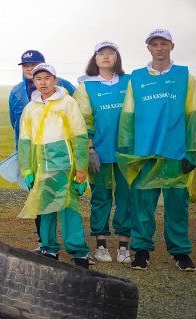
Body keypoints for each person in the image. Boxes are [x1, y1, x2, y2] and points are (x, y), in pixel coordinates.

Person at [117, 29, 196, 271]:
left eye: (163, 43)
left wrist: (192, 150)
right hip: (145, 152)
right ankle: (141, 251)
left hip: (175, 151)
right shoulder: (137, 78)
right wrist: (128, 150)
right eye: (155, 44)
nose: (159, 48)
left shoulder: (185, 76)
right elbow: (128, 116)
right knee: (142, 204)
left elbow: (192, 114)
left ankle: (180, 252)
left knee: (177, 204)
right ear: (149, 48)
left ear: (171, 46)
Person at [18, 64, 91, 268]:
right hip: (41, 166)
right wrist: (27, 169)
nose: (43, 82)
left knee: (70, 209)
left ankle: (78, 252)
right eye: (38, 78)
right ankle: (49, 248)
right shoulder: (30, 108)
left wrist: (81, 170)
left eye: (47, 77)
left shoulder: (68, 103)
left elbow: (79, 136)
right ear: (33, 82)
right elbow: (24, 141)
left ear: (55, 79)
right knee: (46, 208)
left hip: (65, 167)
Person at [75, 41, 132, 264]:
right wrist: (89, 149)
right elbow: (83, 121)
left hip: (127, 154)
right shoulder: (86, 87)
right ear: (95, 59)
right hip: (99, 152)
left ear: (117, 58)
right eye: (101, 53)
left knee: (126, 197)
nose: (106, 57)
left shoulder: (129, 83)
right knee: (101, 198)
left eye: (111, 53)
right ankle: (100, 244)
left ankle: (124, 247)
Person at [10, 49, 76, 141]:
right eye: (25, 66)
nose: (29, 69)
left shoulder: (63, 85)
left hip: (60, 145)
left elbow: (77, 115)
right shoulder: (16, 91)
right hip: (27, 142)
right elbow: (15, 121)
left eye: (33, 65)